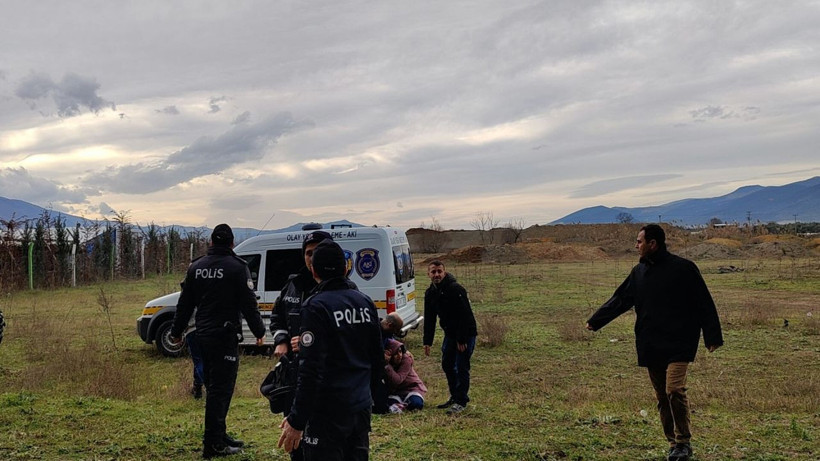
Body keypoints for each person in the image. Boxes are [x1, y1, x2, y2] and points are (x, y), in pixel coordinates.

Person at [585, 224, 723, 461]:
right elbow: (620, 299)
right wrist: (596, 321)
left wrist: (712, 336)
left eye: (639, 242)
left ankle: (683, 442)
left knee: (674, 390)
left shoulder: (684, 268)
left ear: (653, 243)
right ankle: (674, 444)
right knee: (662, 397)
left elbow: (703, 301)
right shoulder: (638, 273)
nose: (636, 246)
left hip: (680, 342)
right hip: (651, 342)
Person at [277, 239, 383, 460]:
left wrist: (297, 420)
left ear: (314, 271)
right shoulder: (365, 302)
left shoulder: (315, 306)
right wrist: (371, 397)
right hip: (360, 406)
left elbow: (311, 370)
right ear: (345, 269)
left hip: (327, 412)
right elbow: (377, 358)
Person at [170, 223, 266, 459]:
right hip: (224, 336)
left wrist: (176, 331)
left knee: (214, 387)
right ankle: (213, 443)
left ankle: (220, 435)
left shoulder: (196, 267)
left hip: (202, 335)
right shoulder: (237, 267)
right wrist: (259, 331)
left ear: (211, 242)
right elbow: (249, 303)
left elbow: (185, 303)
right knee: (220, 391)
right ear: (232, 243)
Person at [268, 230, 331, 461]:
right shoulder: (293, 284)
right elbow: (277, 317)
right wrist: (282, 340)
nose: (312, 258)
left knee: (323, 441)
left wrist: (311, 344)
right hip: (295, 374)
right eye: (308, 253)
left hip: (326, 378)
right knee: (295, 439)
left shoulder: (340, 290)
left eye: (317, 252)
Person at [423, 260, 477, 415]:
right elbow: (430, 318)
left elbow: (465, 315)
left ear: (444, 272)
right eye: (433, 272)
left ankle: (461, 401)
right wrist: (427, 341)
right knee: (447, 364)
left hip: (465, 333)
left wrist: (462, 339)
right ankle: (455, 396)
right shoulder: (430, 293)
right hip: (450, 334)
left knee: (461, 366)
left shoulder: (455, 289)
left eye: (439, 271)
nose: (437, 274)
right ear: (428, 274)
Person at [383, 338, 427, 413]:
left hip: (412, 388)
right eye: (395, 353)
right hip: (395, 392)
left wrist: (387, 366)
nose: (399, 355)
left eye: (400, 352)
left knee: (416, 404)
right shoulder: (385, 362)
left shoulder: (406, 360)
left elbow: (398, 380)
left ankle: (402, 405)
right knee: (386, 405)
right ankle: (400, 406)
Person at [183, 306, 204, 399]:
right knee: (203, 360)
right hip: (208, 329)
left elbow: (183, 312)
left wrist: (177, 332)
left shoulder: (191, 297)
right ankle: (197, 387)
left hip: (193, 329)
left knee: (199, 361)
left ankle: (209, 387)